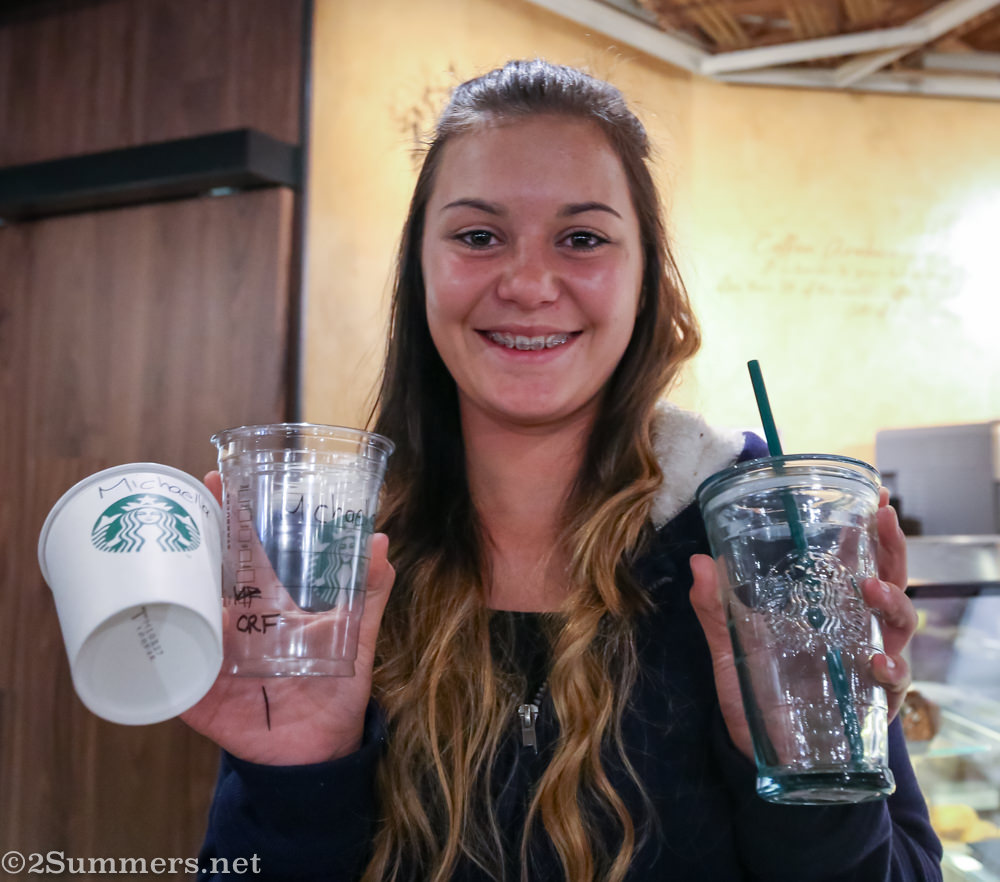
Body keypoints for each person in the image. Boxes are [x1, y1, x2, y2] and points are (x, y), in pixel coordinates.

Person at [185, 59, 943, 881]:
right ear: (421, 271)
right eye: (478, 236)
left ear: (646, 274)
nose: (529, 283)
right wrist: (295, 781)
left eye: (582, 238)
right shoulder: (334, 555)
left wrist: (810, 781)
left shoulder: (759, 534)